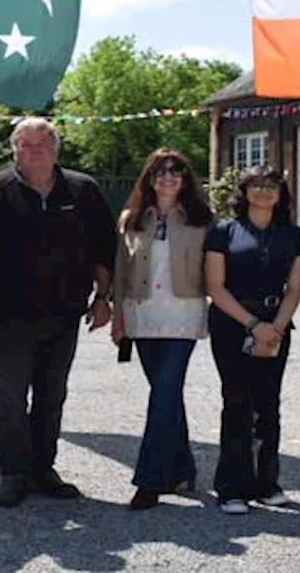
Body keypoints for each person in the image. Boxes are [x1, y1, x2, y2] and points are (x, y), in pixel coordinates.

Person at [0, 117, 115, 508]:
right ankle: (13, 475)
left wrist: (103, 298)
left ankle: (43, 469)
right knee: (10, 397)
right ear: (13, 150)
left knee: (52, 394)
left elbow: (104, 250)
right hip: (9, 313)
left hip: (65, 312)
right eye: (24, 146)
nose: (33, 152)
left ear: (55, 149)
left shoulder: (83, 190)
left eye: (40, 145)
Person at [110, 148, 215, 511]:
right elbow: (121, 271)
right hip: (141, 315)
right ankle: (182, 468)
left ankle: (150, 480)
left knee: (164, 393)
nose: (168, 178)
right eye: (160, 172)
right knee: (166, 395)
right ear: (149, 179)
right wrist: (118, 319)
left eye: (176, 172)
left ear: (186, 179)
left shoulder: (203, 220)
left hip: (183, 315)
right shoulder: (131, 219)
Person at [203, 166, 300, 514]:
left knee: (268, 404)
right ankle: (232, 487)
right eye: (257, 186)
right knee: (236, 402)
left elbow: (294, 289)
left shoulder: (295, 236)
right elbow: (214, 287)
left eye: (271, 186)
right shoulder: (223, 232)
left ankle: (267, 483)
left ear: (281, 195)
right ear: (244, 191)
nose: (264, 192)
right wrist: (253, 325)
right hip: (232, 323)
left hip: (276, 324)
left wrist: (274, 327)